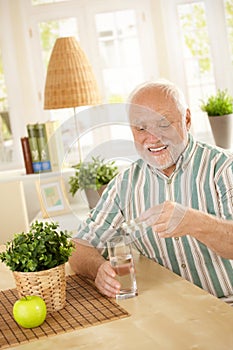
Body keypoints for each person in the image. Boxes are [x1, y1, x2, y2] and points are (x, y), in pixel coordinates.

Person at [69, 80, 233, 303]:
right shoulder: (124, 184)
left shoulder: (223, 168)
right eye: (141, 128)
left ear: (187, 119)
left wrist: (193, 221)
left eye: (164, 124)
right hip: (170, 312)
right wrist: (98, 270)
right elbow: (79, 246)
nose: (153, 138)